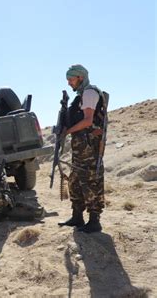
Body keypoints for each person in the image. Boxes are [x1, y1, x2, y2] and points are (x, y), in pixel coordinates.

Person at [58, 64, 106, 233]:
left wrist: (68, 131)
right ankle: (77, 216)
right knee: (75, 181)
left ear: (80, 77)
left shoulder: (90, 93)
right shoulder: (80, 96)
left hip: (89, 146)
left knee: (90, 181)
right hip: (80, 147)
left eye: (71, 79)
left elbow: (87, 120)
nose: (69, 83)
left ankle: (94, 221)